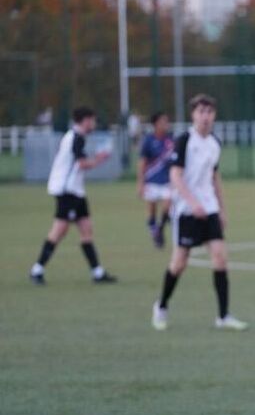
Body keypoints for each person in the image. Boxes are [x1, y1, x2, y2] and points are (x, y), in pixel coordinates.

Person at [151, 94, 246, 332]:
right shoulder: (184, 141)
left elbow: (214, 177)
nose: (205, 116)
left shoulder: (214, 143)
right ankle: (161, 306)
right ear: (193, 115)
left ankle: (223, 316)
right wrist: (193, 203)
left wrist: (222, 210)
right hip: (186, 211)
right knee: (179, 263)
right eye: (201, 111)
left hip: (210, 208)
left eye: (209, 112)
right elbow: (175, 176)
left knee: (220, 258)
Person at [29, 107, 117, 285]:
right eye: (92, 120)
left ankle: (97, 273)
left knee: (86, 228)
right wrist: (101, 158)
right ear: (84, 120)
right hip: (66, 190)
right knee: (60, 230)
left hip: (76, 191)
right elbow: (83, 164)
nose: (93, 124)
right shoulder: (76, 137)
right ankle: (37, 269)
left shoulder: (77, 137)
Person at [137, 111, 175, 248]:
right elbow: (142, 163)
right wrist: (140, 183)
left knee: (167, 206)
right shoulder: (148, 140)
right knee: (152, 212)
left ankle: (160, 229)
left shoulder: (171, 140)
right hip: (151, 180)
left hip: (167, 181)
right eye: (164, 121)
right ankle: (155, 230)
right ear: (156, 124)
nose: (167, 124)